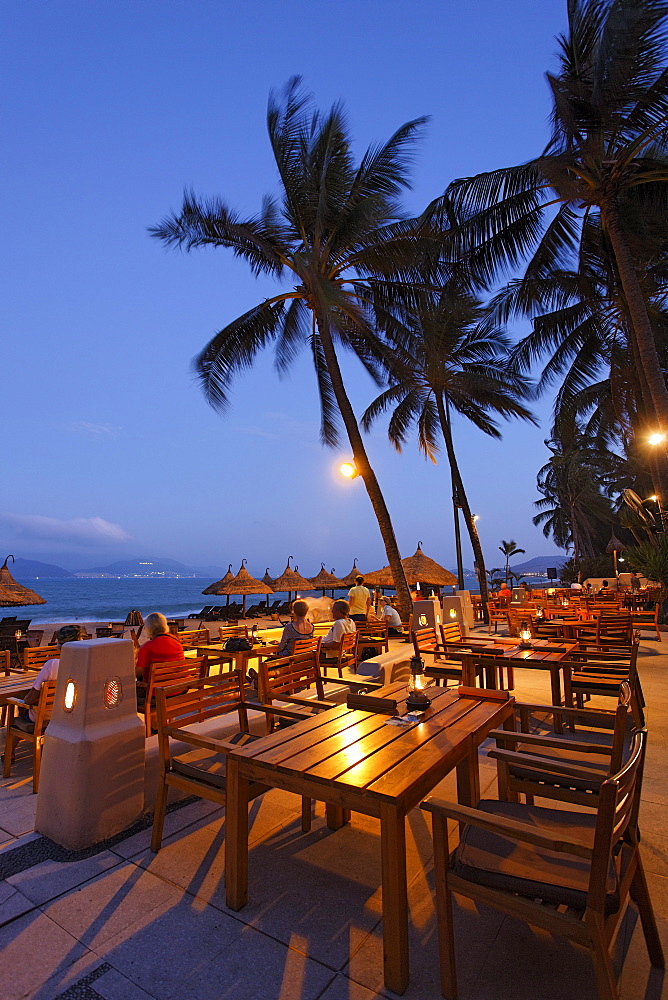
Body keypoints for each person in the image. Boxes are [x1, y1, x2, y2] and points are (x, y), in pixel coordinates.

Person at [18, 624, 83, 731]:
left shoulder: (52, 665)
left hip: (45, 717)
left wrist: (23, 702)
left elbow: (31, 698)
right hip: (70, 715)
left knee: (20, 709)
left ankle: (12, 744)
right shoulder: (83, 666)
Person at [135, 612, 184, 687]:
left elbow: (138, 674)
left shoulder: (147, 647)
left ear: (148, 628)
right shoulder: (176, 641)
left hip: (158, 692)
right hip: (180, 687)